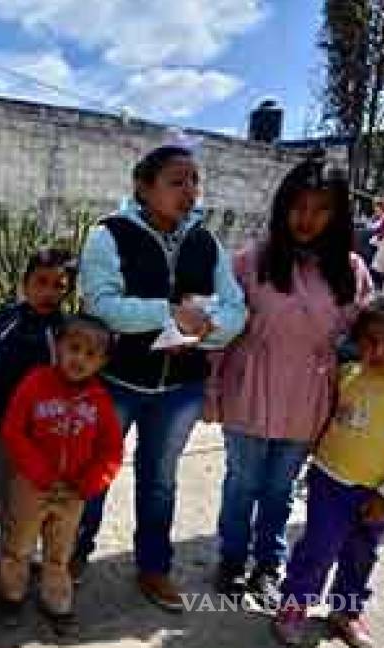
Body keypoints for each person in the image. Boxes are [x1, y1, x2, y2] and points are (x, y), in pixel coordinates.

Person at [74, 138, 247, 611]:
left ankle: (154, 567)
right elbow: (101, 306)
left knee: (160, 480)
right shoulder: (109, 234)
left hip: (180, 388)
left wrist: (207, 328)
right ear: (143, 187)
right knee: (94, 472)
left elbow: (236, 311)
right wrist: (168, 313)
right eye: (176, 181)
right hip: (116, 381)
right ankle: (72, 553)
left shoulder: (205, 242)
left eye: (194, 181)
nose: (189, 191)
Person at [206, 159, 373, 607]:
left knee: (281, 488)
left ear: (338, 215)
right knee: (242, 483)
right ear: (283, 207)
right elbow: (223, 329)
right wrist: (211, 387)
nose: (307, 219)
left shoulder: (352, 270)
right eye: (298, 206)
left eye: (321, 209)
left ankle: (268, 564)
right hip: (249, 387)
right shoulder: (251, 261)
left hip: (308, 397)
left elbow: (364, 338)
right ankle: (231, 558)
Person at [271, 293, 384, 648]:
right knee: (317, 547)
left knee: (361, 553)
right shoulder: (348, 374)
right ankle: (294, 604)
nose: (378, 351)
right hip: (330, 481)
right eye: (370, 340)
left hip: (380, 492)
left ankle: (346, 611)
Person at [0, 315, 124, 628]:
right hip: (31, 485)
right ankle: (10, 595)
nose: (79, 359)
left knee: (60, 550)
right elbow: (13, 430)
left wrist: (92, 482)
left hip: (74, 491)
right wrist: (38, 471)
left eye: (90, 354)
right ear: (58, 347)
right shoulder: (35, 383)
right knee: (19, 545)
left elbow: (111, 450)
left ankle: (56, 598)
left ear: (102, 362)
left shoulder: (100, 399)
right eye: (73, 348)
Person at [0, 247, 78, 559]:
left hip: (39, 432)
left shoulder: (65, 333)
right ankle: (8, 539)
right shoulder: (7, 318)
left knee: (34, 488)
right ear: (25, 282)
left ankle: (30, 546)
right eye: (41, 282)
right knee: (0, 484)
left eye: (58, 286)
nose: (48, 292)